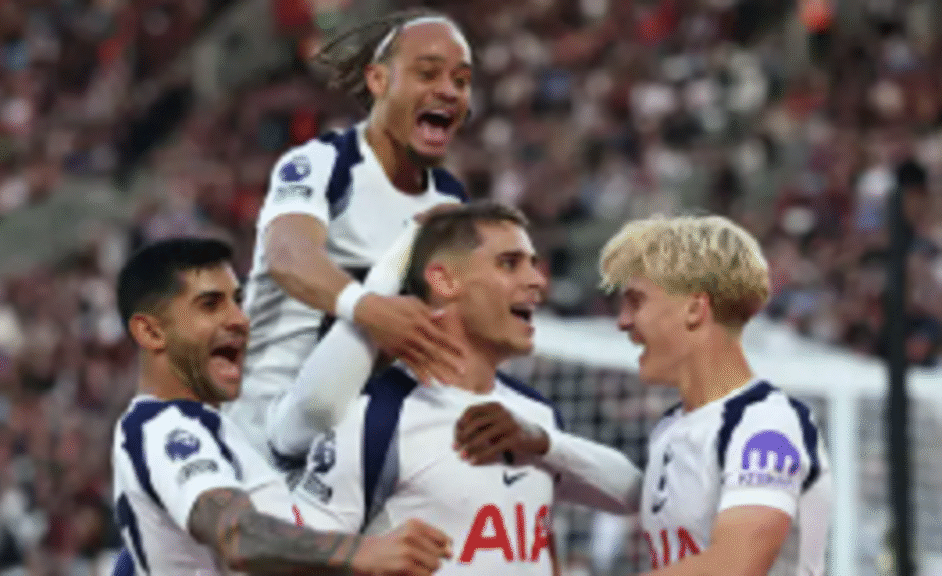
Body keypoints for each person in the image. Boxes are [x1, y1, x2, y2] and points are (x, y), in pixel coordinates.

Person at [291, 202, 643, 575]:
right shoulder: (374, 416)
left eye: (533, 262)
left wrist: (545, 443)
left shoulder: (536, 415)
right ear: (444, 281)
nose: (538, 280)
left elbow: (634, 495)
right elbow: (293, 556)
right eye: (509, 263)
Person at [110, 237, 453, 575]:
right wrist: (363, 553)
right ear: (151, 333)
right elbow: (238, 536)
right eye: (210, 305)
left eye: (238, 301)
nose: (239, 319)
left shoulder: (212, 431)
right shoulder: (166, 426)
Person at [225, 8, 476, 458]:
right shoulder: (324, 163)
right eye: (427, 73)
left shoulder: (451, 201)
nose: (448, 90)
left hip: (356, 443)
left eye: (461, 80)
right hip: (260, 434)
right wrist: (370, 309)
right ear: (378, 81)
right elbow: (289, 256)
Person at [596, 215, 832, 575]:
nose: (623, 321)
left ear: (694, 309)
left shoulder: (766, 423)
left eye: (636, 302)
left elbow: (736, 565)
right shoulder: (671, 429)